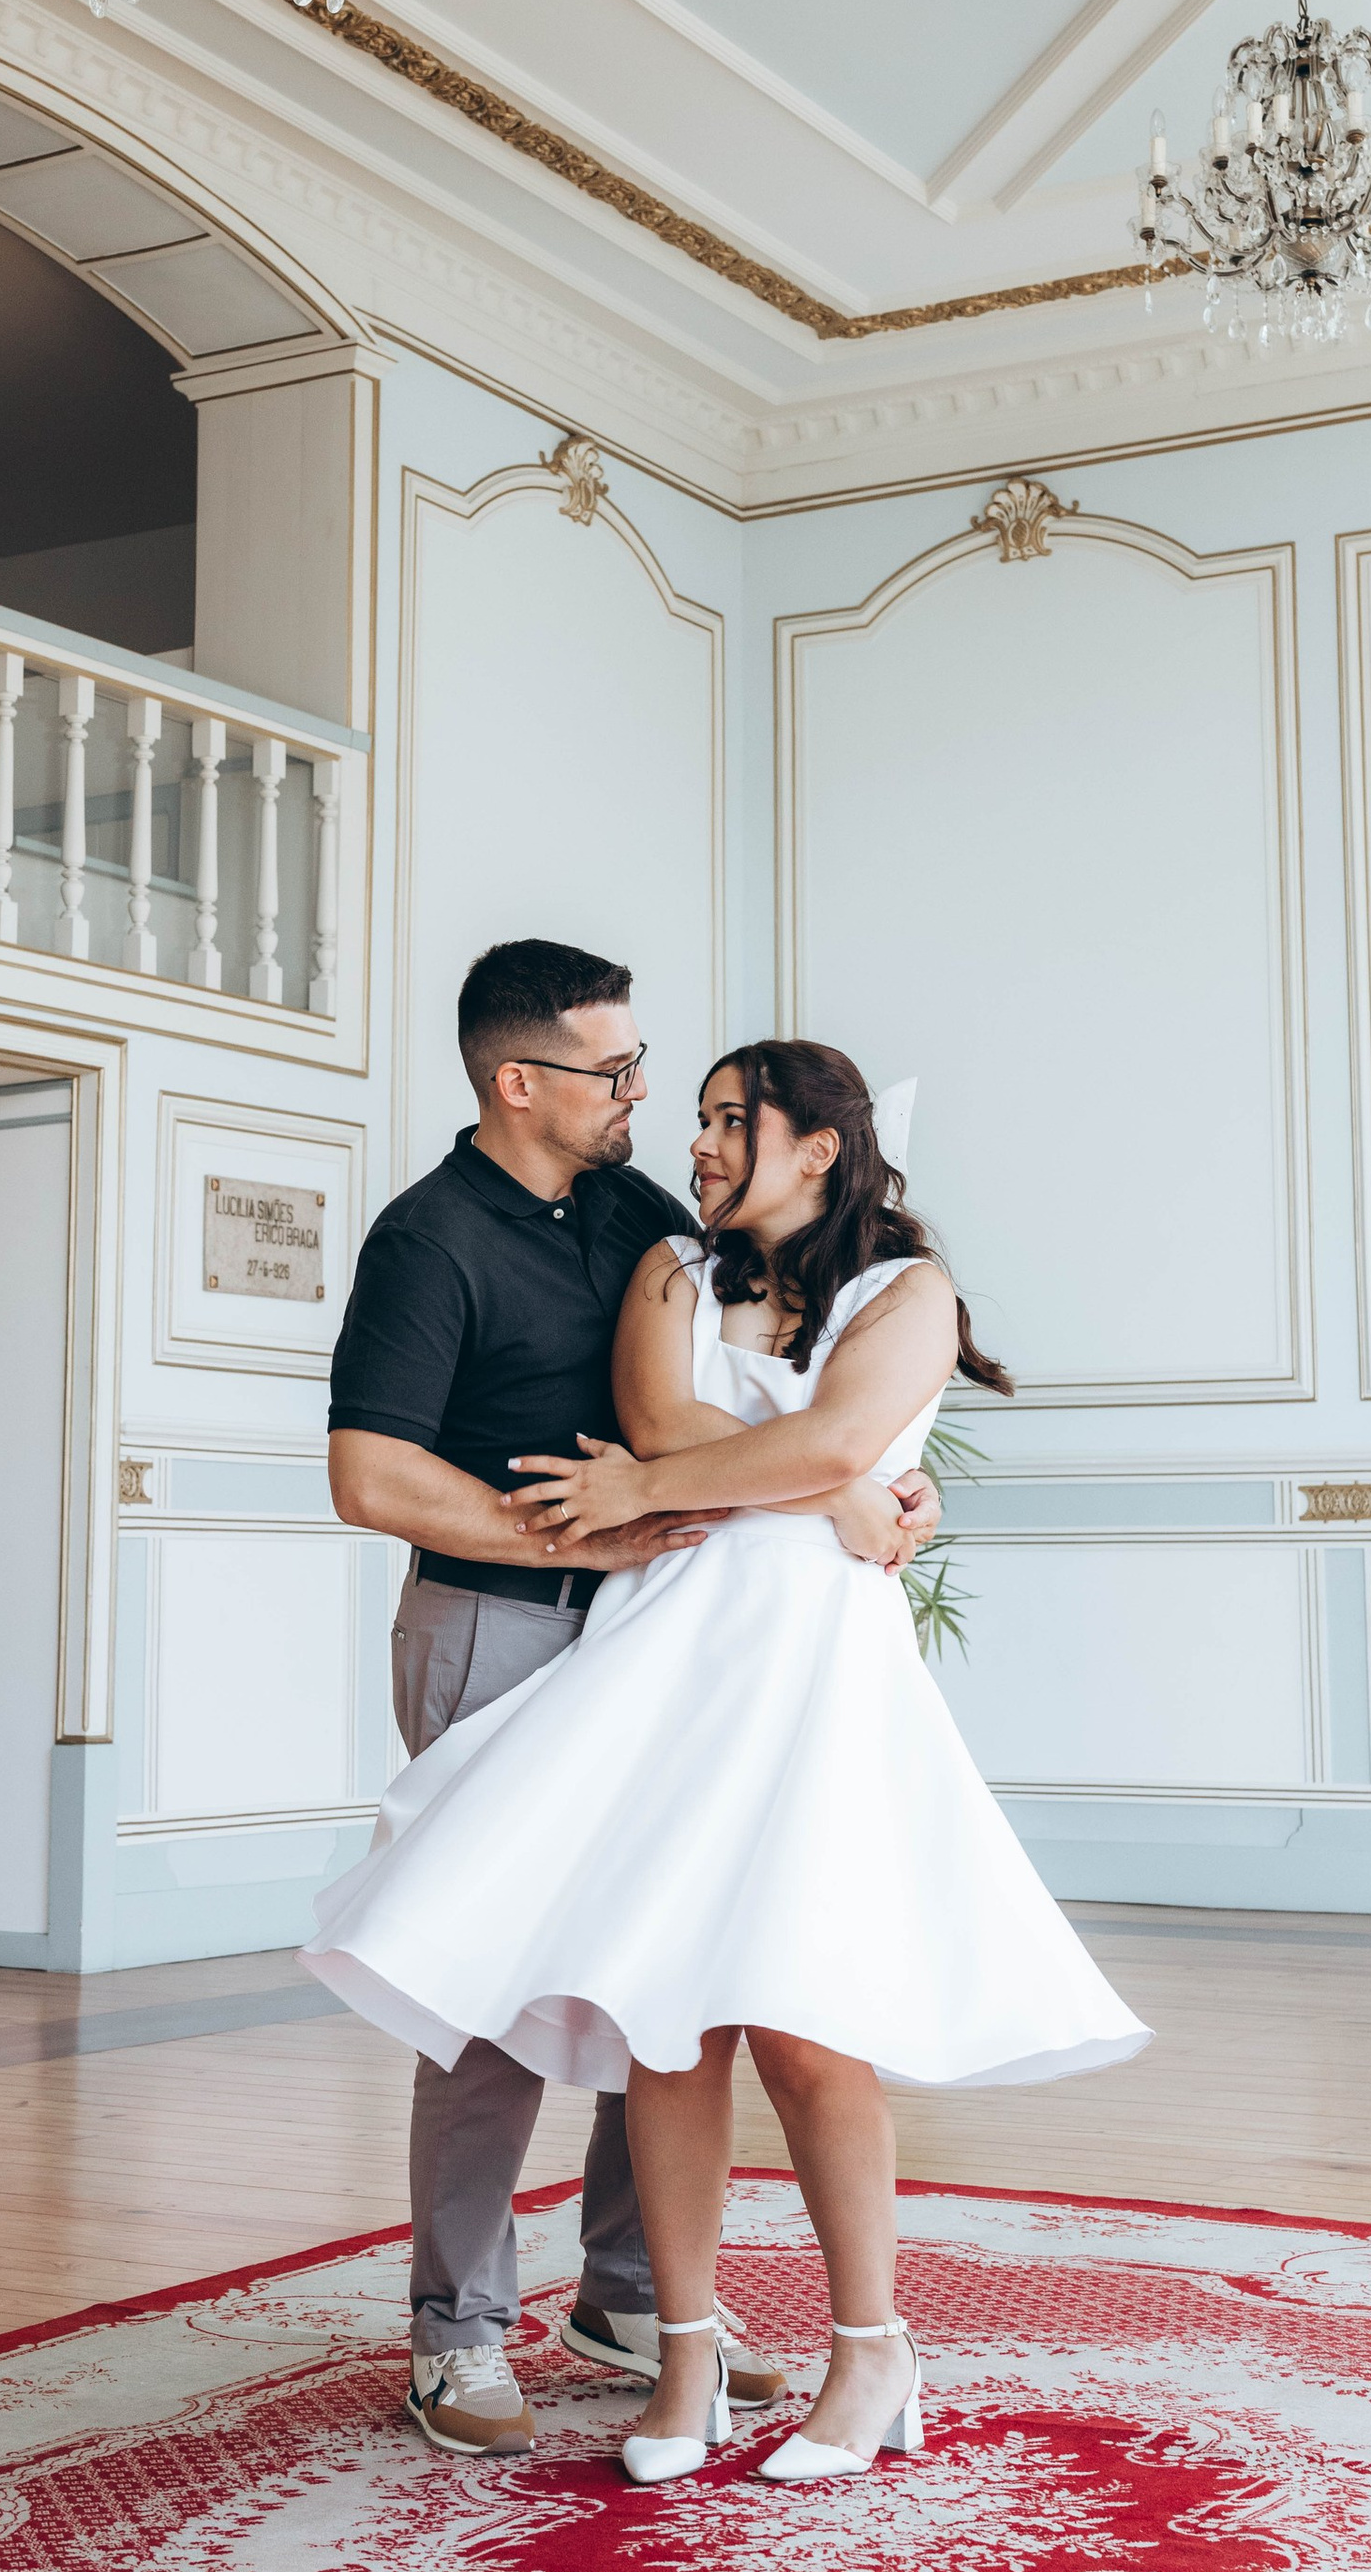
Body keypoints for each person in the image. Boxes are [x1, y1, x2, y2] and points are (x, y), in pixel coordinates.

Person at [308, 1038, 1149, 2489]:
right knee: (661, 2019)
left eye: (723, 1117)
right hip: (657, 1662)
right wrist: (830, 1484)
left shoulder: (909, 1289)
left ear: (819, 1143)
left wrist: (804, 1468)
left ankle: (871, 2347)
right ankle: (670, 2343)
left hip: (814, 1676)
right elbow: (662, 1428)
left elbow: (810, 1431)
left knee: (811, 2023)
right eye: (681, 1109)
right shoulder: (663, 1268)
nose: (690, 1137)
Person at [324, 947, 941, 2458]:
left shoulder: (643, 1215)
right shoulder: (427, 1239)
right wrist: (583, 1526)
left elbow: (752, 1392)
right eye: (616, 1072)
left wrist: (863, 1483)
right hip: (496, 1620)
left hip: (653, 1636)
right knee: (491, 1972)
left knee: (647, 1963)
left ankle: (623, 2295)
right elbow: (370, 1476)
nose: (647, 1099)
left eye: (650, 1067)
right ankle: (459, 2331)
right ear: (516, 1079)